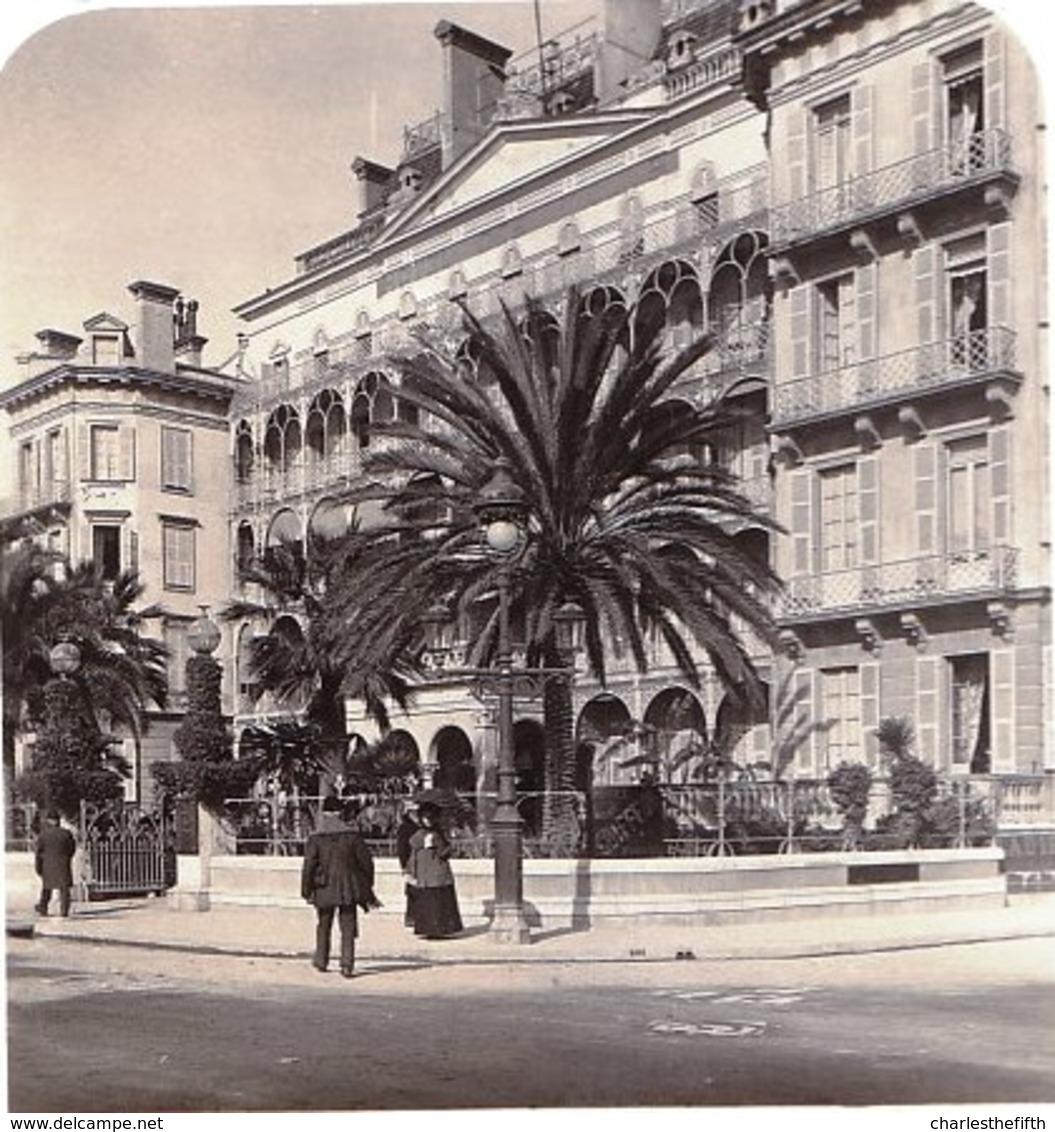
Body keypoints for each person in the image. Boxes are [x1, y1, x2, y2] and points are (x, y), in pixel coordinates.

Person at [301, 796, 380, 978]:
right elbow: (367, 863)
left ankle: (321, 960)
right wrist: (366, 886)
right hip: (348, 887)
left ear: (324, 813)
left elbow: (309, 867)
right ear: (340, 813)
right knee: (348, 925)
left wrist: (306, 890)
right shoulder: (352, 836)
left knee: (323, 924)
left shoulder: (316, 838)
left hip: (323, 886)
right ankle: (347, 964)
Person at [407, 801, 463, 939]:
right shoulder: (435, 835)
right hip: (437, 874)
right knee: (439, 904)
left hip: (424, 875)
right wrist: (451, 846)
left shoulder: (418, 834)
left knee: (428, 904)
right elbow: (442, 853)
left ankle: (427, 930)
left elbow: (413, 851)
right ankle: (438, 930)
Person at [34, 810, 76, 917]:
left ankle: (43, 908)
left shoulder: (43, 835)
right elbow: (72, 849)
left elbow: (38, 852)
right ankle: (64, 910)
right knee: (64, 889)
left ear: (48, 820)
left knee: (47, 888)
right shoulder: (66, 834)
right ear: (59, 820)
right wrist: (66, 858)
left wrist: (38, 867)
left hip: (47, 865)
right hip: (63, 863)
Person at [395, 801, 420, 929]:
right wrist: (404, 865)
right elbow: (401, 848)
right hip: (411, 862)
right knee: (412, 890)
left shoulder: (421, 825)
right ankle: (411, 916)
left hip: (420, 862)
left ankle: (416, 916)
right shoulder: (405, 828)